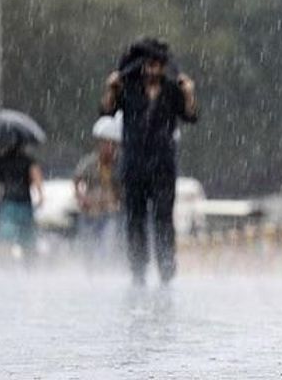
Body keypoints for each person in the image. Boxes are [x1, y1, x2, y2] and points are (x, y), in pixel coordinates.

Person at [101, 37, 198, 286]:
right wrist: (111, 89)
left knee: (164, 218)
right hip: (134, 164)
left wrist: (189, 93)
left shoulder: (172, 90)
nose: (154, 69)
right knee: (135, 219)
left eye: (158, 64)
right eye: (150, 64)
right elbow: (106, 111)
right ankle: (138, 270)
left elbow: (191, 116)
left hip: (163, 165)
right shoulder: (127, 88)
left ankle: (166, 268)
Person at [73, 117, 123, 268]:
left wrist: (118, 199)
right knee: (88, 248)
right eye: (105, 143)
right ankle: (91, 272)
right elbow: (76, 180)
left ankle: (105, 270)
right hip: (90, 212)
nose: (109, 148)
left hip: (109, 212)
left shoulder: (119, 165)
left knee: (108, 246)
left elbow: (123, 188)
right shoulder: (89, 162)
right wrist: (81, 197)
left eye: (112, 144)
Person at [0, 144, 44, 264]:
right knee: (27, 239)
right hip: (25, 202)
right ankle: (29, 266)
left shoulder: (1, 160)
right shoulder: (28, 160)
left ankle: (6, 266)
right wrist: (40, 195)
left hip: (8, 203)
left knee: (6, 239)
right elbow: (36, 176)